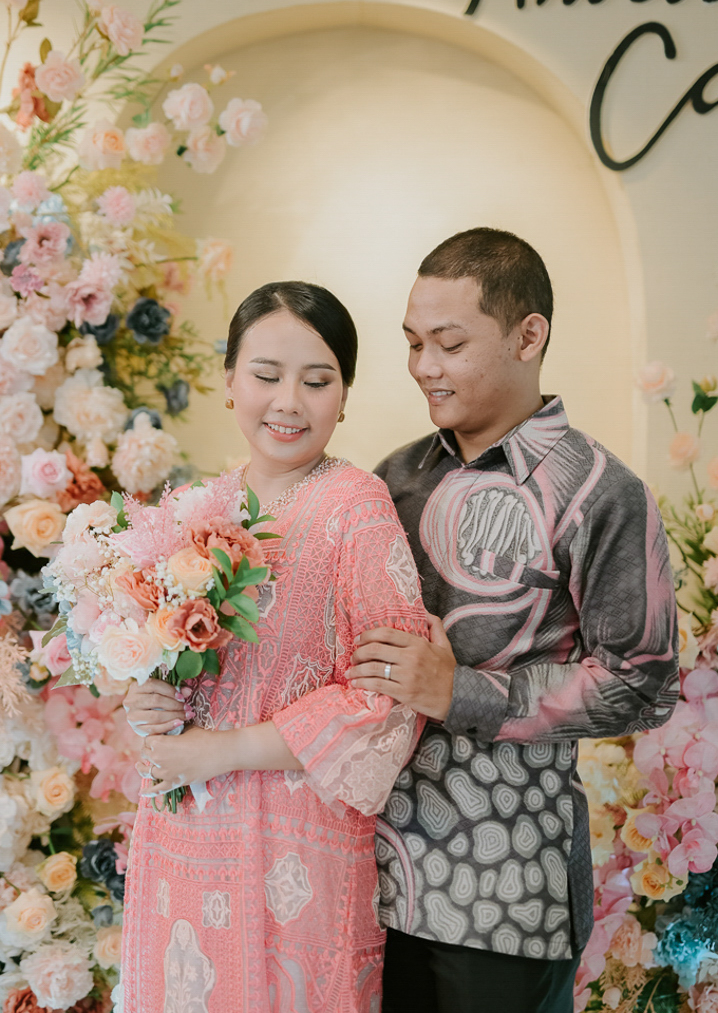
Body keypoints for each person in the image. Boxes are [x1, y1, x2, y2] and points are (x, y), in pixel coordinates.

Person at [345, 227, 680, 1013]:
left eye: (450, 343)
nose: (424, 366)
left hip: (504, 895)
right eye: (413, 343)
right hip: (369, 877)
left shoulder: (600, 492)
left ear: (529, 336)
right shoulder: (393, 479)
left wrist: (459, 690)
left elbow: (644, 684)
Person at [120, 281, 429, 1013]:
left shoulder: (357, 506)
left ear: (344, 397)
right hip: (182, 837)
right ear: (230, 380)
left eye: (317, 381)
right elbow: (169, 660)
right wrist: (147, 697)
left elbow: (389, 695)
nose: (289, 401)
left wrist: (226, 750)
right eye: (266, 375)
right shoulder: (194, 509)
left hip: (293, 855)